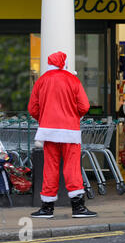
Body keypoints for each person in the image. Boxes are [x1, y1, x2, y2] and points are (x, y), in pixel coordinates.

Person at [28, 51, 97, 219]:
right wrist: (75, 116)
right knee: (72, 167)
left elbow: (32, 108)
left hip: (49, 131)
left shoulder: (41, 80)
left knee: (50, 168)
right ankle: (78, 207)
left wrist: (44, 119)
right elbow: (84, 106)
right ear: (64, 64)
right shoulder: (72, 80)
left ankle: (47, 208)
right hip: (70, 131)